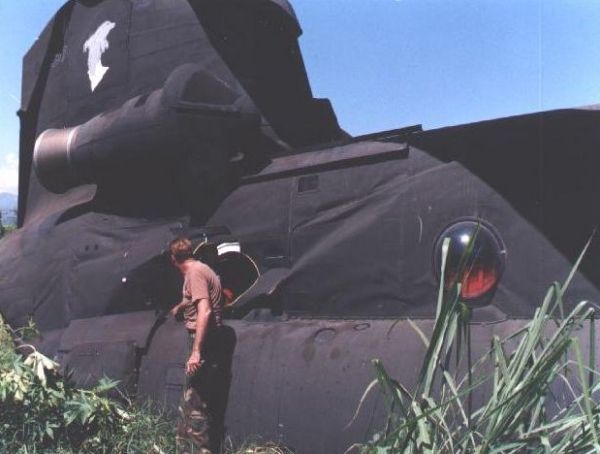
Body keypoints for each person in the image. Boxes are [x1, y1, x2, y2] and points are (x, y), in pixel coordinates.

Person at [169, 236, 223, 454]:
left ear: (174, 259)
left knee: (197, 404)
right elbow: (196, 296)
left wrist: (196, 352)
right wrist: (180, 306)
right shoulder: (200, 269)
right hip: (207, 337)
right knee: (190, 399)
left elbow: (205, 310)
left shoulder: (194, 273)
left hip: (204, 338)